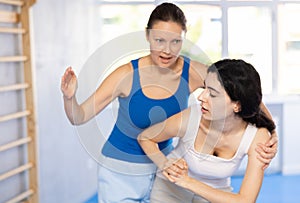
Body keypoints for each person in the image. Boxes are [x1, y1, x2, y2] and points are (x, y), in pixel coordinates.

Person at [61, 2, 277, 203]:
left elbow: (239, 89)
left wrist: (270, 133)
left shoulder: (191, 72)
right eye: (160, 40)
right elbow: (79, 117)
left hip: (163, 164)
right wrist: (69, 97)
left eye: (176, 41)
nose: (167, 50)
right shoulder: (126, 74)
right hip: (122, 169)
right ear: (147, 36)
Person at [138, 58, 276, 203]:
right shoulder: (192, 117)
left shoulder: (257, 137)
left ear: (237, 105)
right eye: (204, 88)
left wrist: (187, 181)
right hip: (170, 190)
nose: (201, 97)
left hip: (215, 194)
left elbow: (246, 200)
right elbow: (145, 137)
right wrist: (164, 163)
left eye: (213, 94)